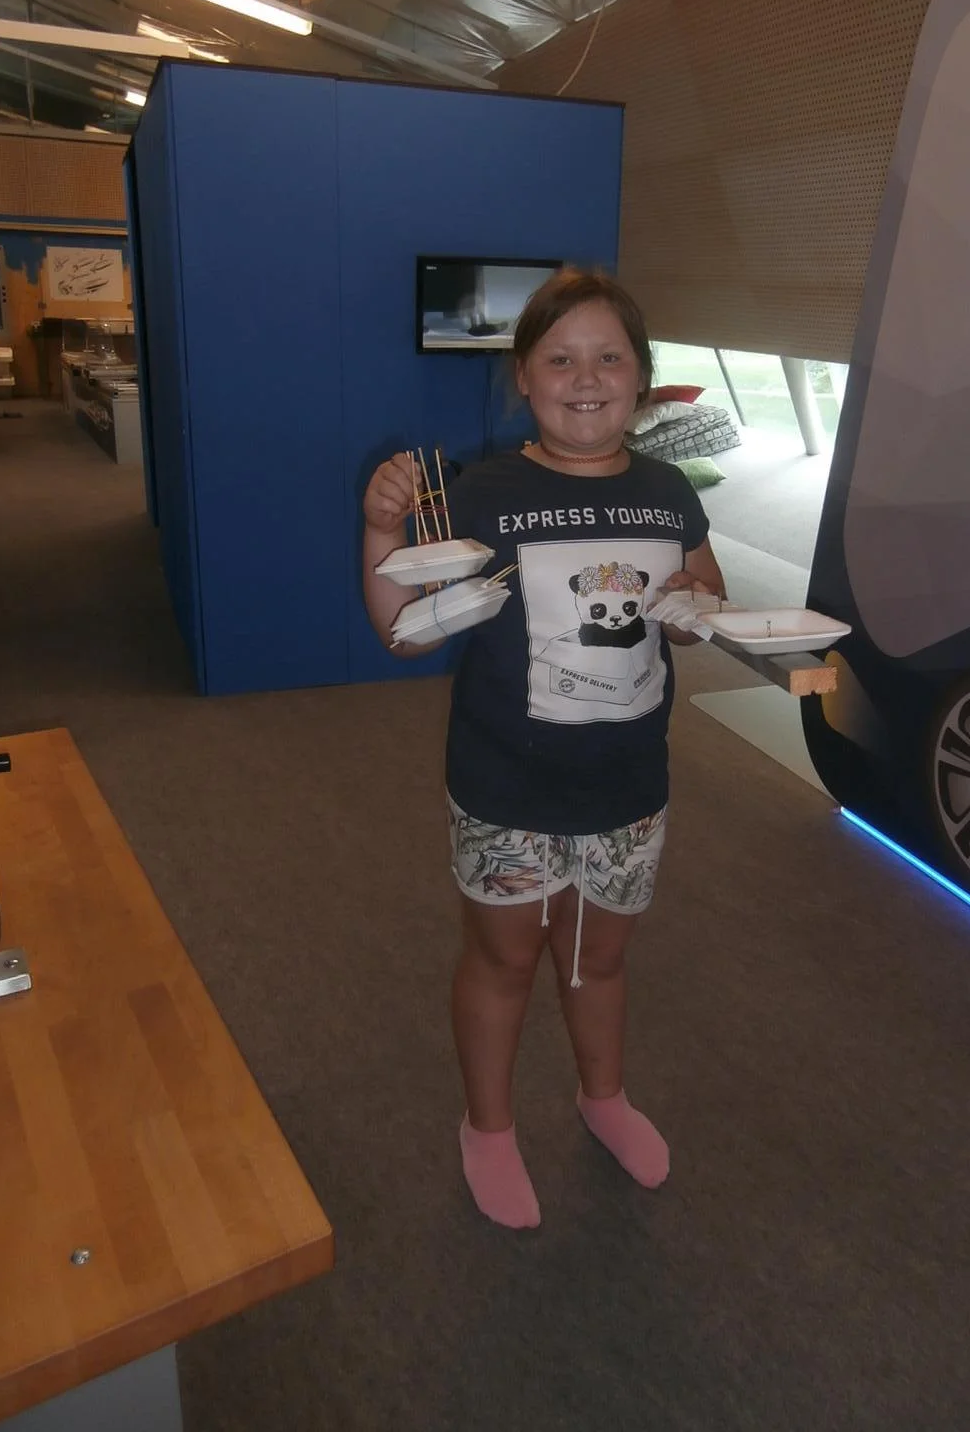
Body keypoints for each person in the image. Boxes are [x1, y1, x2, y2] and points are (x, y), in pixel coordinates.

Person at [362, 267, 725, 1229]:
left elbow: (702, 598)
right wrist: (379, 529)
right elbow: (403, 630)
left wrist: (697, 606)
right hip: (505, 783)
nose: (587, 377)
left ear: (641, 374)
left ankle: (603, 1099)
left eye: (610, 357)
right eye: (560, 359)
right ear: (524, 377)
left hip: (629, 781)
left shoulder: (667, 491)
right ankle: (487, 1128)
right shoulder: (481, 494)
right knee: (505, 960)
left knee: (598, 959)